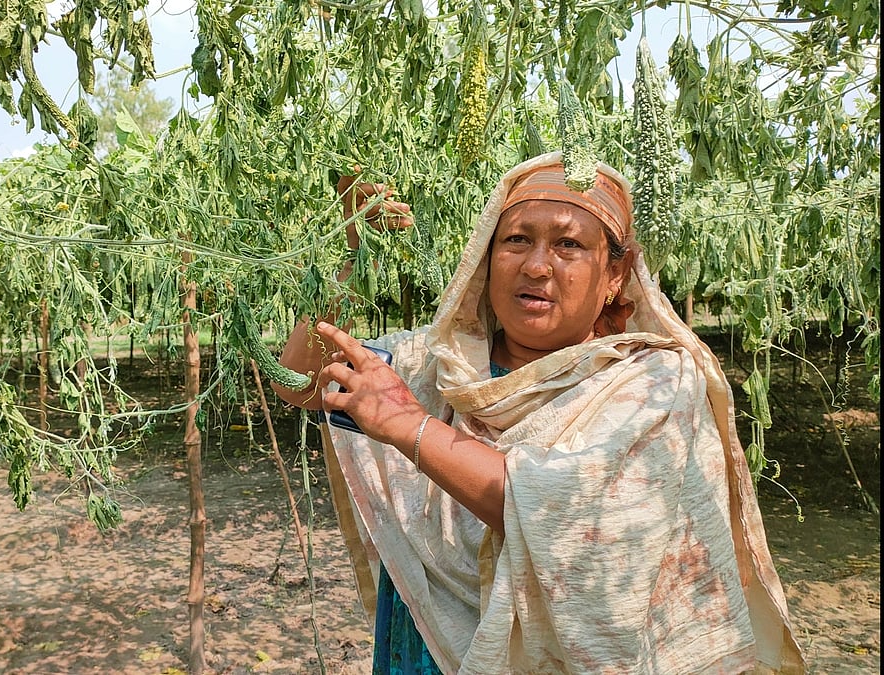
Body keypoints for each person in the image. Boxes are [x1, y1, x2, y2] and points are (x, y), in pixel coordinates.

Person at [273, 153, 804, 674]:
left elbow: (564, 512)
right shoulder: (440, 364)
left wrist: (409, 426)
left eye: (569, 244)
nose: (536, 265)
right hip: (426, 646)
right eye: (516, 240)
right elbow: (297, 383)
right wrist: (354, 252)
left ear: (615, 274)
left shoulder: (653, 380)